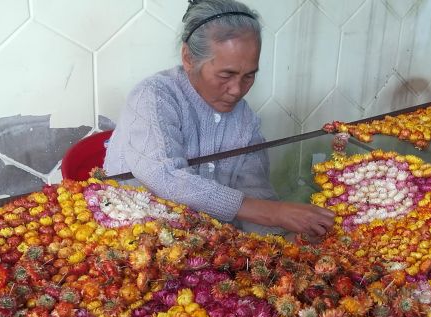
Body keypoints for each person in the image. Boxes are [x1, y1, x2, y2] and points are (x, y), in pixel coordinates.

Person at [103, 0, 335, 237]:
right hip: (131, 237)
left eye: (249, 76)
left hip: (203, 245)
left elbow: (257, 196)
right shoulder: (154, 96)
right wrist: (274, 212)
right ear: (188, 58)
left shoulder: (245, 120)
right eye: (226, 74)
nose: (237, 90)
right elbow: (164, 176)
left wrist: (284, 244)